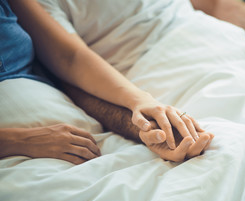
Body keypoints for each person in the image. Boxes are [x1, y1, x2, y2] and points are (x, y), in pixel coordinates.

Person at [0, 0, 214, 164]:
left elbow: (69, 57)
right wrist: (20, 141)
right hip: (24, 140)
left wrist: (141, 102)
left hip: (67, 122)